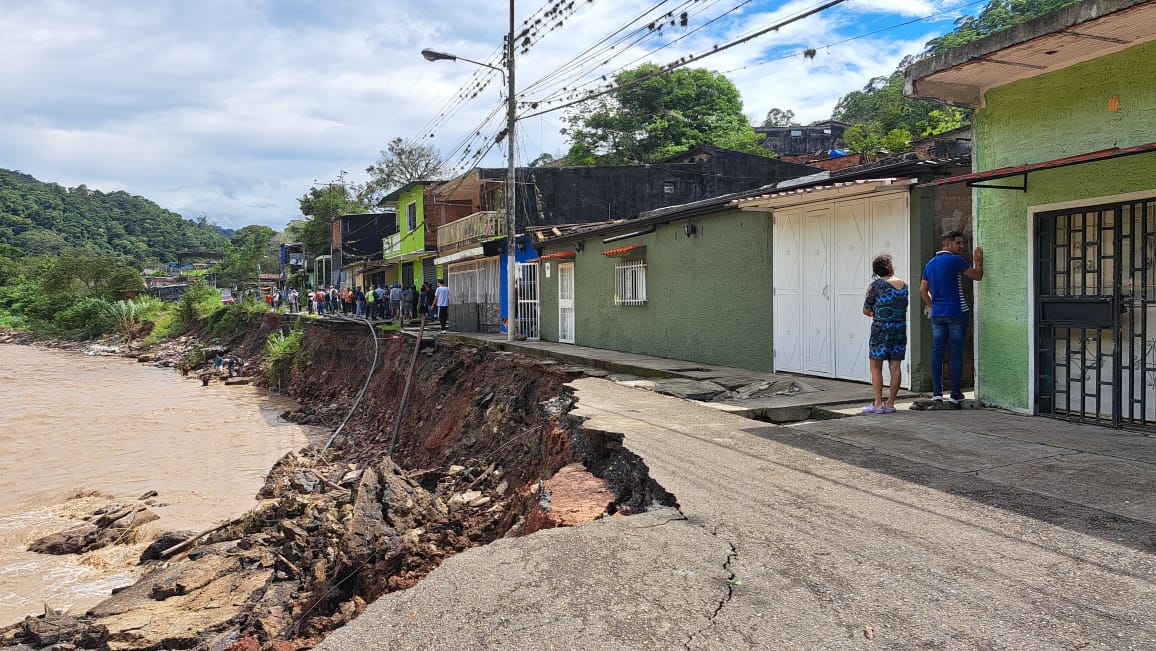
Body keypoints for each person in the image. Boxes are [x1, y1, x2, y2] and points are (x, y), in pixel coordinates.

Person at [920, 230, 984, 403]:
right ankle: (955, 394)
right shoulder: (956, 260)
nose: (962, 246)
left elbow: (923, 291)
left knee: (938, 352)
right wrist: (978, 262)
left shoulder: (930, 264)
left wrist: (934, 305)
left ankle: (937, 393)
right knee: (956, 353)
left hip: (938, 315)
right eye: (958, 243)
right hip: (957, 312)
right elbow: (977, 276)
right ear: (947, 245)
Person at [862, 254, 909, 414]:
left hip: (881, 329)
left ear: (876, 271)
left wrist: (876, 313)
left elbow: (866, 310)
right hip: (900, 329)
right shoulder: (904, 285)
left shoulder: (875, 286)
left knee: (876, 366)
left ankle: (877, 403)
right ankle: (890, 403)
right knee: (895, 365)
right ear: (891, 267)